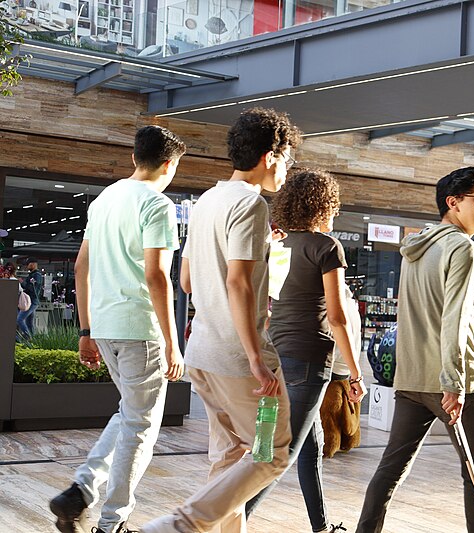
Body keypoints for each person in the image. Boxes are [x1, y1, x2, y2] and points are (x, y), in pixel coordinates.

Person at [141, 107, 301, 533]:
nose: (287, 170)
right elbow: (239, 283)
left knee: (231, 456)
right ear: (271, 155)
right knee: (271, 453)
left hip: (204, 353)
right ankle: (177, 525)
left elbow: (188, 280)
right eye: (287, 159)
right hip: (238, 359)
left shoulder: (208, 200)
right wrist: (254, 356)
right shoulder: (251, 204)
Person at [49, 125, 187, 533]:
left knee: (130, 414)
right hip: (140, 328)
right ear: (170, 163)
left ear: (134, 158)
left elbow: (80, 267)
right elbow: (157, 277)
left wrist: (86, 330)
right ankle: (112, 523)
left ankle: (79, 492)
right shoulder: (158, 205)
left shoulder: (105, 199)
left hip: (105, 326)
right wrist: (172, 342)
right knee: (141, 427)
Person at [356, 166, 474, 533]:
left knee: (390, 469)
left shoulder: (415, 249)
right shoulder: (462, 248)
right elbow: (455, 320)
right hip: (455, 381)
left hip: (412, 379)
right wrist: (453, 382)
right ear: (453, 203)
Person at [245, 170, 365, 532]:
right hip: (310, 358)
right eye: (333, 206)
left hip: (278, 354)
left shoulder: (278, 245)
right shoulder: (327, 247)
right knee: (281, 456)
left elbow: (270, 302)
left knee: (308, 447)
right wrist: (355, 373)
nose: (335, 213)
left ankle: (322, 526)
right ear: (322, 206)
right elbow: (338, 316)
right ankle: (232, 520)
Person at [16, 258, 43, 339]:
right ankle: (32, 340)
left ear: (33, 264)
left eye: (28, 264)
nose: (27, 266)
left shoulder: (36, 275)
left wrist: (22, 282)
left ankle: (28, 336)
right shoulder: (33, 274)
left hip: (31, 301)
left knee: (20, 319)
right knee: (29, 322)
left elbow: (32, 288)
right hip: (31, 300)